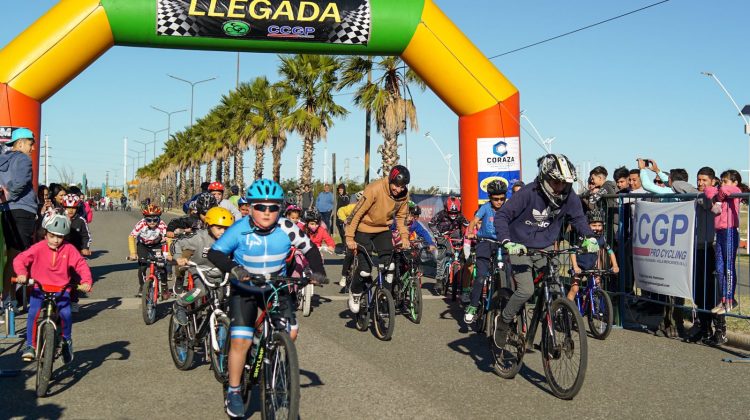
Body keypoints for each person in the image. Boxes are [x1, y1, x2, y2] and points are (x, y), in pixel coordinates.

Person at [206, 179, 326, 418]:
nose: (267, 212)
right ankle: (234, 390)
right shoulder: (239, 229)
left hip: (275, 287)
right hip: (245, 289)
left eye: (273, 207)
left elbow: (310, 248)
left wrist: (317, 271)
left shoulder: (287, 227)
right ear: (250, 207)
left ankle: (273, 358)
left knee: (290, 332)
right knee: (242, 340)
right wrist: (234, 269)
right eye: (261, 207)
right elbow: (215, 252)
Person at [493, 154, 600, 346]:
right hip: (520, 247)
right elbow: (502, 216)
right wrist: (507, 241)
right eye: (556, 182)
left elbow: (578, 218)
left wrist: (589, 236)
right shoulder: (528, 193)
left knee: (555, 289)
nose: (561, 187)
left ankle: (547, 333)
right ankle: (504, 321)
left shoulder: (569, 195)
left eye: (565, 183)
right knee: (526, 290)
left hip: (546, 247)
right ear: (545, 178)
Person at [15, 213, 93, 363]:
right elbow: (20, 259)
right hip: (39, 287)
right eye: (52, 235)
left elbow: (81, 265)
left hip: (62, 289)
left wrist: (86, 281)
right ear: (45, 233)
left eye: (60, 237)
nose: (56, 240)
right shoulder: (38, 248)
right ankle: (30, 345)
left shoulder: (69, 249)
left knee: (66, 314)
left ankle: (67, 341)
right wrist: (22, 274)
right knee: (33, 313)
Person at [345, 165, 411, 312]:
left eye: (402, 186)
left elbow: (401, 218)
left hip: (382, 230)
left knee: (390, 265)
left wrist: (404, 237)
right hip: (363, 229)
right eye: (396, 185)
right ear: (390, 180)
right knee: (365, 270)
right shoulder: (374, 189)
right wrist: (349, 237)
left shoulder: (403, 195)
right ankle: (355, 292)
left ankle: (383, 295)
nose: (398, 189)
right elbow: (356, 214)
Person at [172, 206, 234, 325]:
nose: (223, 232)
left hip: (219, 273)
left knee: (221, 298)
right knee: (200, 291)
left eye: (226, 228)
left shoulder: (230, 239)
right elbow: (177, 243)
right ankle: (180, 304)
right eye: (219, 228)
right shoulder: (198, 237)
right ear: (209, 225)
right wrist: (178, 257)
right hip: (200, 270)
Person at [0, 127, 39, 303]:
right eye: (31, 144)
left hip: (7, 211)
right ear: (21, 143)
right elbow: (22, 182)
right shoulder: (23, 159)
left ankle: (9, 297)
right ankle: (10, 299)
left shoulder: (2, 160)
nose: (32, 149)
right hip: (22, 210)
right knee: (19, 256)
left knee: (11, 255)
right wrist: (9, 194)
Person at [464, 180, 508, 321]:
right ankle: (473, 305)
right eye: (496, 199)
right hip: (485, 242)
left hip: (502, 244)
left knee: (508, 274)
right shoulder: (485, 207)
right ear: (490, 198)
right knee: (481, 276)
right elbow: (474, 220)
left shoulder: (508, 208)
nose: (499, 202)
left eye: (502, 198)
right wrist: (470, 231)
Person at [705, 170, 745, 317]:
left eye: (726, 180)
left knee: (728, 266)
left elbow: (725, 190)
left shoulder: (736, 190)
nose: (722, 183)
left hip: (730, 231)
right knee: (719, 268)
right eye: (721, 180)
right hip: (720, 231)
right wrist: (719, 196)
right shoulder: (721, 192)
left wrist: (719, 196)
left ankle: (730, 299)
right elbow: (709, 191)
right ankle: (724, 299)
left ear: (735, 182)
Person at [567, 209, 619, 301]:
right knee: (575, 288)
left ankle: (595, 306)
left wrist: (615, 265)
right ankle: (566, 308)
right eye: (594, 225)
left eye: (599, 225)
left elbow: (610, 251)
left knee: (597, 284)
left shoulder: (602, 238)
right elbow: (572, 251)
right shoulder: (583, 236)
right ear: (587, 226)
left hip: (592, 267)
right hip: (579, 267)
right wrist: (575, 267)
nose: (597, 228)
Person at [429, 196, 469, 295]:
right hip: (442, 236)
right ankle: (439, 280)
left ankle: (460, 276)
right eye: (451, 213)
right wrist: (437, 233)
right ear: (446, 209)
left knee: (463, 254)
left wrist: (468, 232)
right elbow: (431, 223)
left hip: (455, 236)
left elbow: (467, 224)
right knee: (441, 256)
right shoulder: (441, 215)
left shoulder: (460, 216)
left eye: (455, 213)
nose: (453, 215)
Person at [128, 204, 169, 298]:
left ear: (159, 218)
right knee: (142, 266)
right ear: (145, 219)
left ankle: (164, 287)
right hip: (143, 245)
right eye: (149, 220)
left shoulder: (162, 225)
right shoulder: (141, 224)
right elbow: (131, 237)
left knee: (161, 265)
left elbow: (168, 239)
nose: (152, 222)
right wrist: (133, 253)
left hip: (156, 245)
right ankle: (142, 286)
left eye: (155, 219)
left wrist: (169, 254)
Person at [337, 191, 363, 287]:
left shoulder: (369, 209)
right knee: (349, 253)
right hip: (350, 231)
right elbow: (340, 210)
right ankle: (344, 276)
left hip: (362, 232)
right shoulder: (352, 207)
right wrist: (344, 219)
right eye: (359, 201)